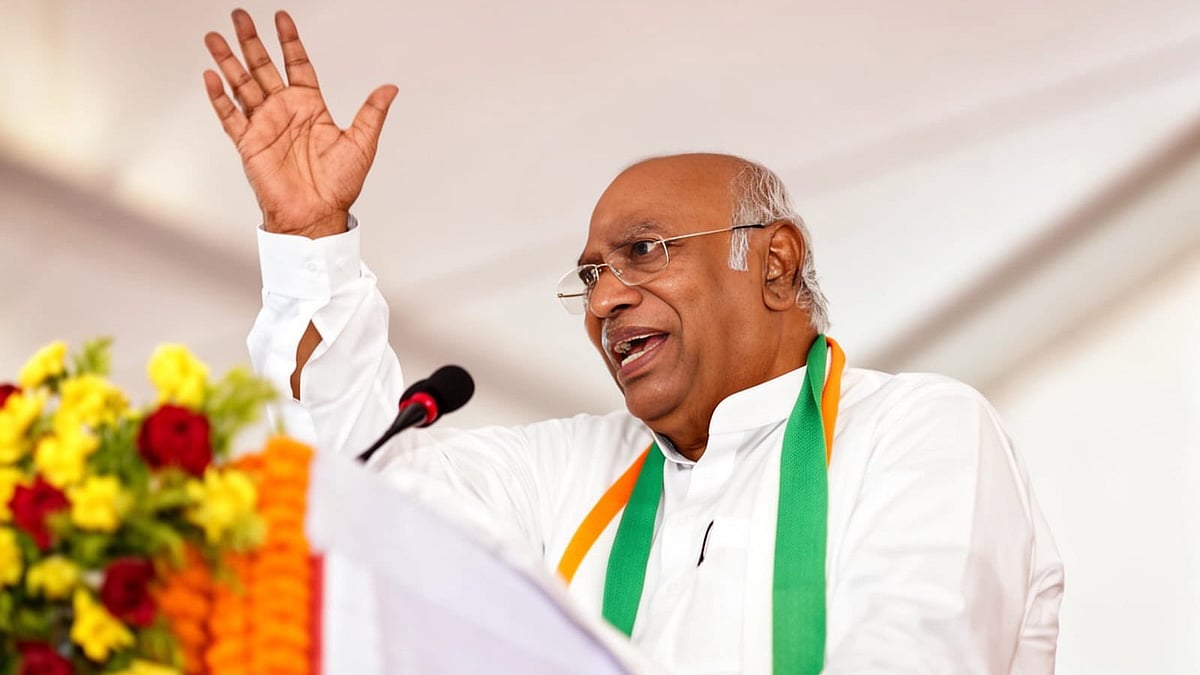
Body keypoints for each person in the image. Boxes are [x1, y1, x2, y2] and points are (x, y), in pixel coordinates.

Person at [203, 9, 1064, 673]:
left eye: (642, 253)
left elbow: (914, 652)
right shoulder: (566, 474)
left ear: (773, 263)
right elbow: (365, 493)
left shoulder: (919, 430)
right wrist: (310, 237)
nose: (606, 299)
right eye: (589, 276)